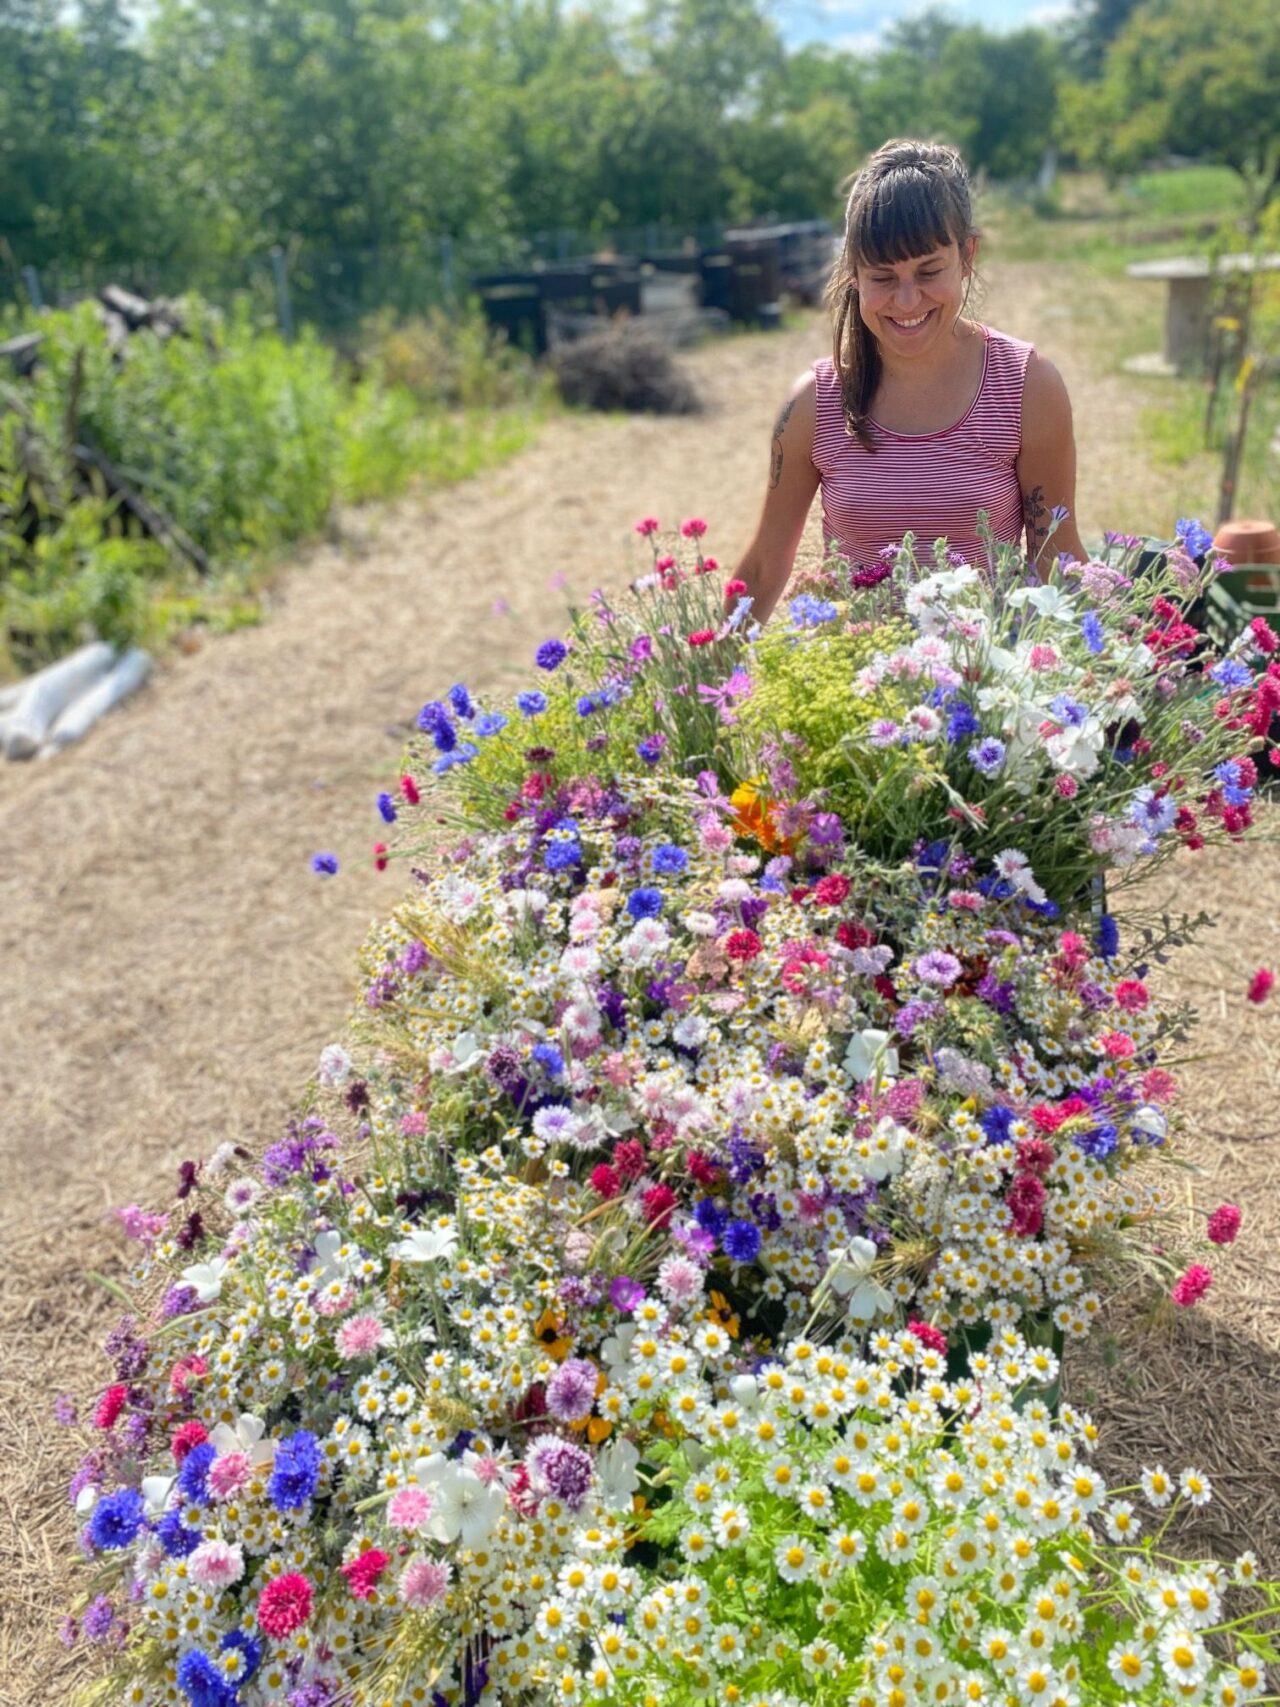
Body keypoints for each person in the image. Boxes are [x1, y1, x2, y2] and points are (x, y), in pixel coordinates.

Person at [733, 138, 1088, 624]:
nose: (906, 301)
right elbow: (764, 566)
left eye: (928, 272)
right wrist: (708, 686)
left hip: (984, 682)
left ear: (966, 256)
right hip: (851, 685)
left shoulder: (1026, 386)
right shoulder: (814, 405)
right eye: (882, 277)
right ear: (853, 272)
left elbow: (1055, 558)